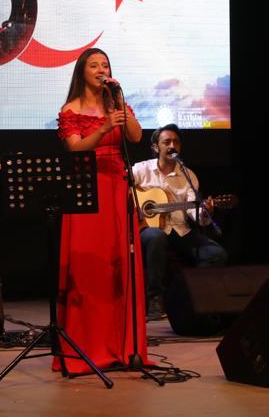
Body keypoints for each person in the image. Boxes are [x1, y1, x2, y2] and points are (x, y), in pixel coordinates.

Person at [55, 48, 146, 373]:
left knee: (118, 264)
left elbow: (136, 136)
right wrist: (104, 127)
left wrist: (119, 103)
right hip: (87, 188)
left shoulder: (115, 102)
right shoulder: (71, 108)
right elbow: (75, 148)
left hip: (117, 187)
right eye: (93, 65)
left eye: (104, 64)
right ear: (82, 72)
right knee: (89, 268)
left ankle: (124, 346)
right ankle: (88, 346)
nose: (100, 69)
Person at [134, 124, 227, 320]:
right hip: (147, 230)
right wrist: (135, 208)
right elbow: (119, 187)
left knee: (216, 254)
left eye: (176, 142)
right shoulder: (141, 170)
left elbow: (194, 212)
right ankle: (155, 299)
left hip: (180, 230)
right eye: (166, 142)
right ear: (156, 147)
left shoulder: (188, 175)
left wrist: (205, 212)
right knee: (157, 237)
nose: (172, 146)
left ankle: (188, 296)